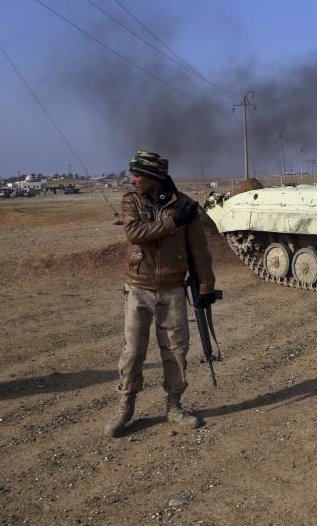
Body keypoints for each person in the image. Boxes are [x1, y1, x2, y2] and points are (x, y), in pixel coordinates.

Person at [104, 150, 216, 437]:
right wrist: (172, 222)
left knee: (176, 350)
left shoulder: (186, 206)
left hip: (173, 288)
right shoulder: (132, 201)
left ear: (155, 177)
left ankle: (175, 406)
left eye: (137, 175)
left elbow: (199, 252)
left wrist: (205, 286)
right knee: (133, 352)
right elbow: (135, 233)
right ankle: (126, 406)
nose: (133, 180)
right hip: (138, 287)